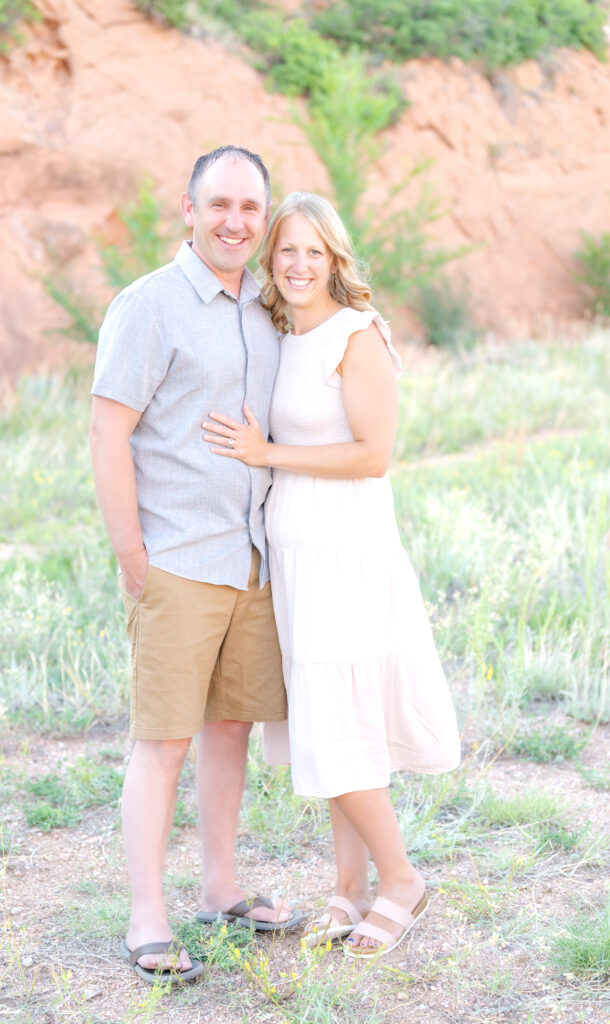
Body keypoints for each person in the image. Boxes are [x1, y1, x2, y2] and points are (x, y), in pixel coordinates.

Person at [202, 192, 461, 960]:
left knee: (335, 727)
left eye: (316, 250)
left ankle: (402, 880)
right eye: (287, 250)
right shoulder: (285, 339)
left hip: (347, 556)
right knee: (333, 722)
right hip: (296, 561)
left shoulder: (357, 335)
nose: (300, 263)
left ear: (335, 259)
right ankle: (347, 890)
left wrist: (268, 455)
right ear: (270, 264)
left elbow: (372, 455)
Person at [90, 147, 302, 987]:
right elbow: (108, 432)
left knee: (230, 730)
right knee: (163, 742)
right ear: (188, 208)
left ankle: (221, 888)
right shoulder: (149, 306)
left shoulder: (268, 305)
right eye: (219, 205)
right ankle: (147, 917)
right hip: (177, 557)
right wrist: (131, 553)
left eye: (251, 208)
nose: (235, 223)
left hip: (251, 557)